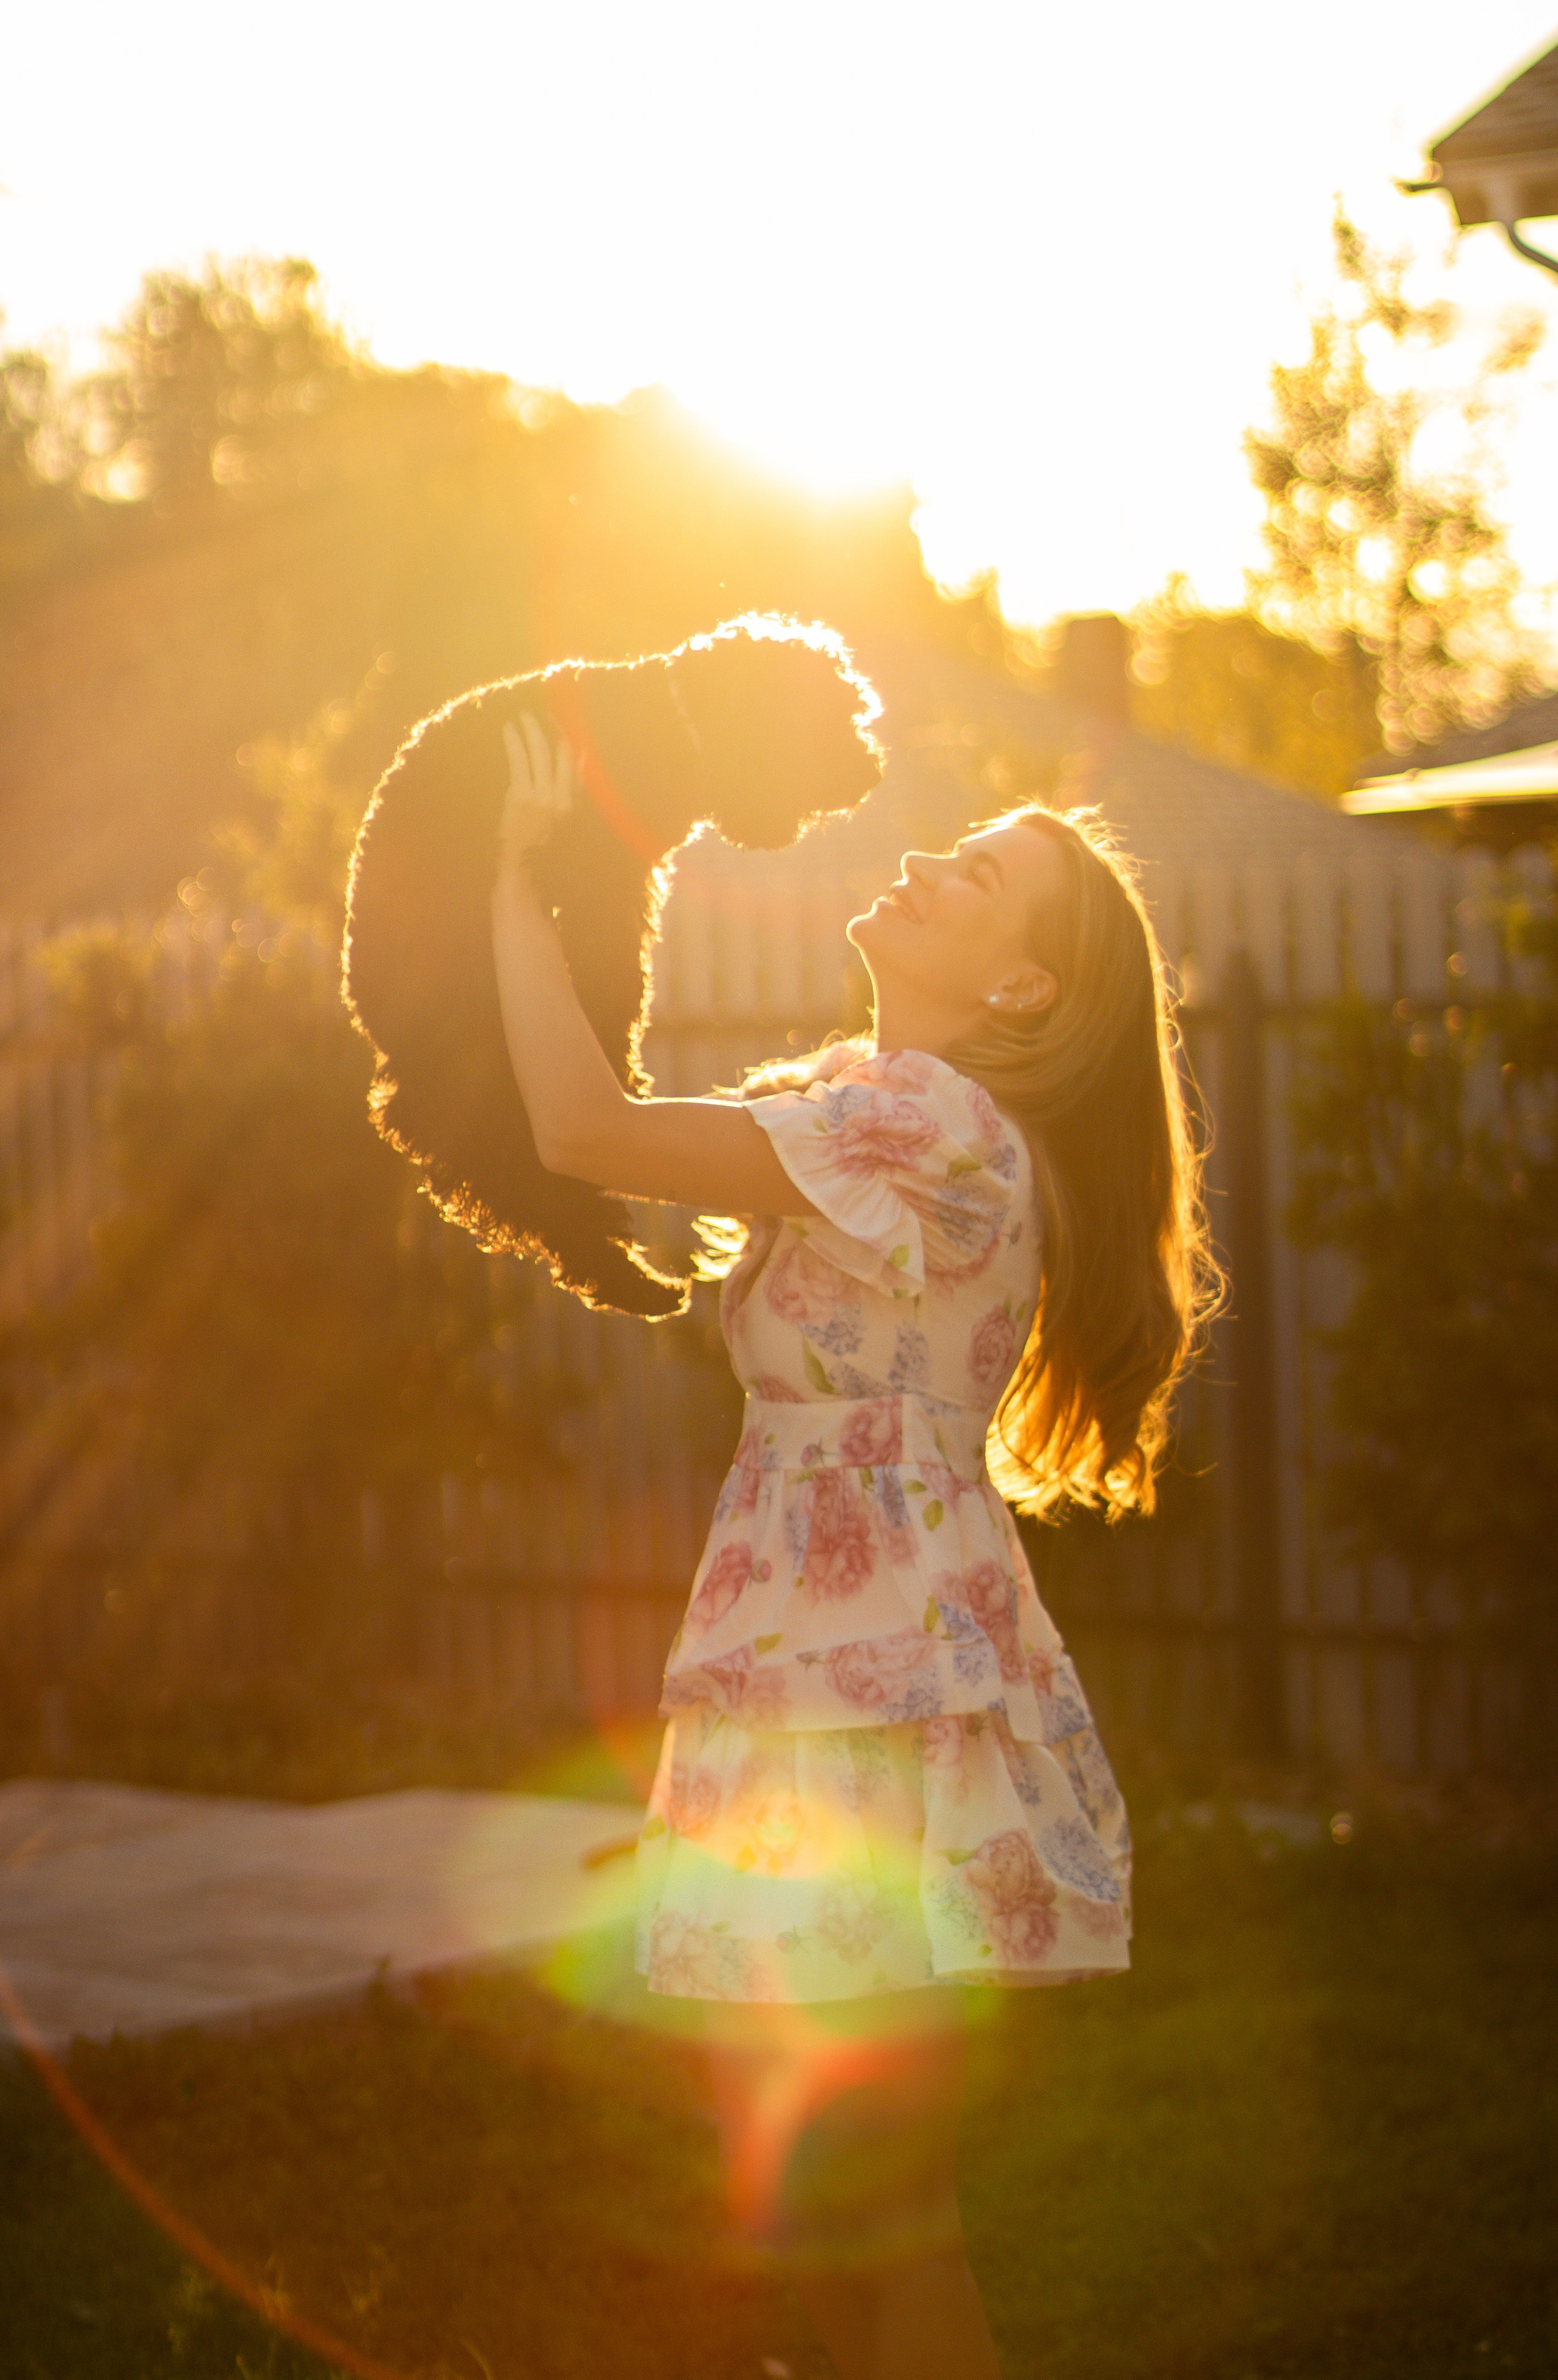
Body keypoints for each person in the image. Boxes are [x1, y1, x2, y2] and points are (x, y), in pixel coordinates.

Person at [491, 710, 1216, 2380]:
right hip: (809, 1661)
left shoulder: (929, 1123)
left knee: (874, 2210)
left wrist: (519, 890)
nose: (920, 863)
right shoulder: (877, 1108)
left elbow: (585, 1128)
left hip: (865, 1689)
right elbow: (625, 1127)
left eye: (973, 879)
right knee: (815, 2210)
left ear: (1025, 989)